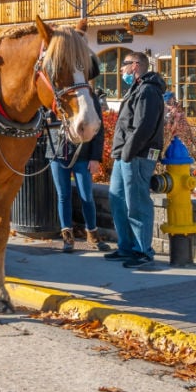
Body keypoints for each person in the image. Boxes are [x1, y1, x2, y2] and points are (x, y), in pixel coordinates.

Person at [104, 51, 165, 269]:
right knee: (117, 200)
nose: (122, 69)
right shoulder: (137, 88)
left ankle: (142, 251)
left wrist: (128, 151)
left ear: (136, 65)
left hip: (137, 154)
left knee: (137, 202)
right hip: (125, 154)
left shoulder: (148, 90)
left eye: (125, 64)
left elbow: (144, 127)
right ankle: (126, 247)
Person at [46, 91, 108, 253]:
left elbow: (98, 128)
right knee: (63, 195)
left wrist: (95, 157)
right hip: (58, 152)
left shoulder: (89, 96)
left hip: (82, 153)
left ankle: (92, 233)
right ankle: (67, 235)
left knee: (86, 195)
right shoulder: (51, 95)